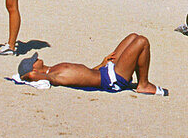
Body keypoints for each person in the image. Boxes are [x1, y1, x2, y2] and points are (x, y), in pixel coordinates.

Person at [17, 33, 168, 96]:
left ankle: (138, 78)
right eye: (34, 61)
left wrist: (101, 64)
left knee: (133, 37)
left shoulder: (53, 68)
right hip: (112, 79)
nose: (37, 59)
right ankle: (144, 84)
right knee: (142, 42)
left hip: (104, 71)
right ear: (34, 68)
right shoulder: (53, 76)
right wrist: (29, 76)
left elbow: (85, 75)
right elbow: (30, 76)